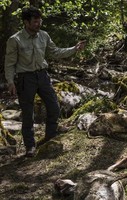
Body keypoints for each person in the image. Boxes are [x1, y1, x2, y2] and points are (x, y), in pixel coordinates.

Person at [4, 6, 85, 157]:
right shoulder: (15, 40)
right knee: (28, 114)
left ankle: (50, 138)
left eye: (39, 20)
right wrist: (10, 82)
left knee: (54, 107)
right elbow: (9, 63)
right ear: (26, 22)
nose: (38, 24)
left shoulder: (44, 35)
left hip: (42, 76)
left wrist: (75, 48)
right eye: (35, 21)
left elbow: (55, 52)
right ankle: (30, 147)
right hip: (25, 79)